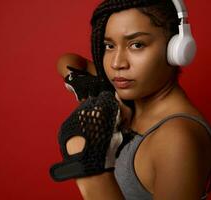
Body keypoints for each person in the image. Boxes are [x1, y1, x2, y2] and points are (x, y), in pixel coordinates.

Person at [51, 0, 211, 199]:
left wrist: (91, 169)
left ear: (176, 49)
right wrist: (86, 86)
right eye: (109, 46)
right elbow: (68, 61)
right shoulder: (129, 95)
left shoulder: (177, 138)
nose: (117, 63)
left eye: (136, 45)